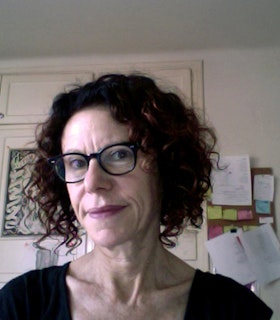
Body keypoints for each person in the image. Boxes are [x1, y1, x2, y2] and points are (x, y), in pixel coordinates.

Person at [0, 73, 273, 319]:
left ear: (165, 167)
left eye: (119, 154)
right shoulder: (21, 304)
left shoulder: (235, 310)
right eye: (77, 162)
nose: (92, 183)